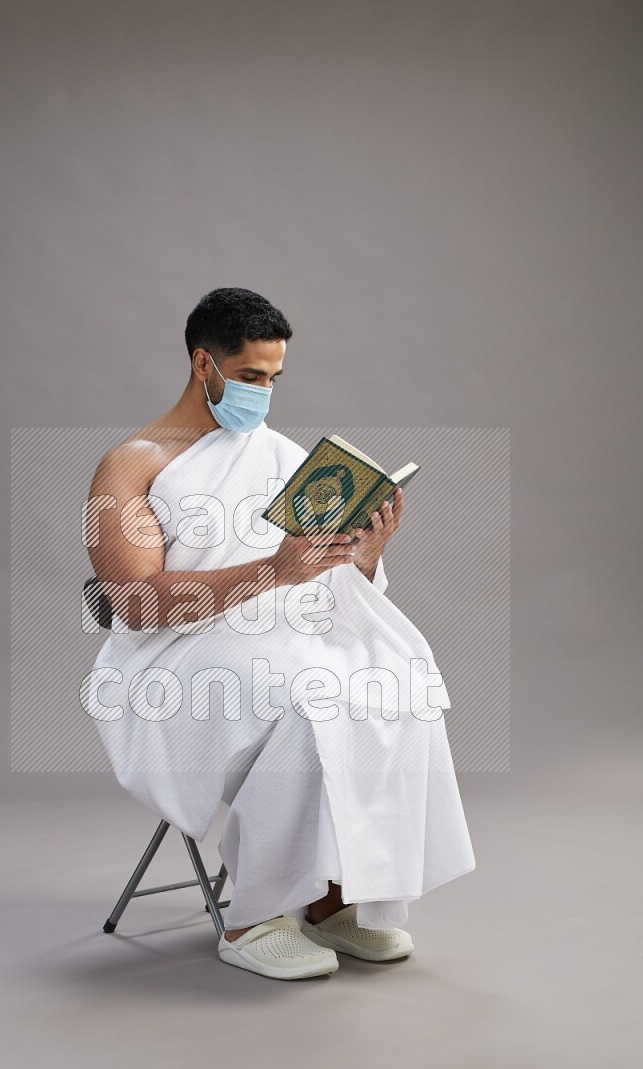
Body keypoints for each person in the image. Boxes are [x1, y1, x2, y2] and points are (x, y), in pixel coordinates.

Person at [83, 286, 476, 982]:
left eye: (274, 378)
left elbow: (317, 581)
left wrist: (365, 555)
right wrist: (272, 569)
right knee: (308, 693)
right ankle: (252, 916)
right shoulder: (132, 464)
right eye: (250, 377)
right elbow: (135, 603)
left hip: (278, 630)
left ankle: (335, 902)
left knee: (398, 678)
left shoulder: (285, 455)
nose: (264, 393)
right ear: (203, 364)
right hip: (173, 656)